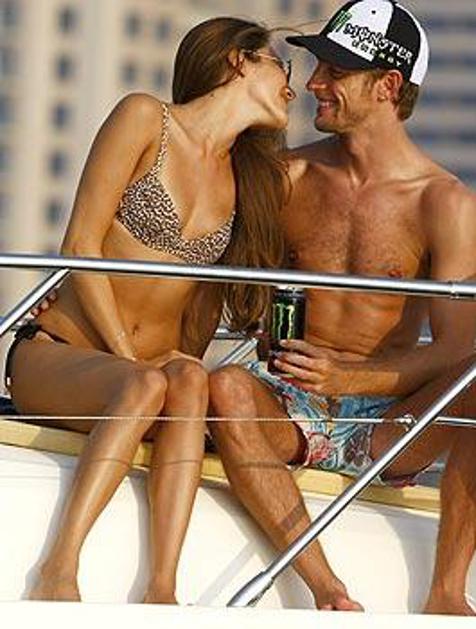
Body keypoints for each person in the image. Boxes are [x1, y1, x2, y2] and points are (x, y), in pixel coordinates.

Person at [5, 17, 295, 603]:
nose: (291, 86)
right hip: (62, 356)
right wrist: (130, 360)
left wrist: (177, 371)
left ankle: (162, 587)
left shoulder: (249, 181)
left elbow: (200, 311)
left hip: (150, 376)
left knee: (189, 377)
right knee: (147, 384)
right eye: (280, 65)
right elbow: (81, 245)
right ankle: (59, 568)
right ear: (239, 60)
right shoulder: (144, 118)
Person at [209, 0, 476, 615]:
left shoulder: (444, 203)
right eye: (318, 67)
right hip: (289, 401)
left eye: (336, 71)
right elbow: (209, 258)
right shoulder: (289, 175)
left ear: (388, 86)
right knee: (225, 386)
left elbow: (457, 352)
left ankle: (445, 591)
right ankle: (326, 588)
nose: (313, 84)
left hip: (386, 420)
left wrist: (349, 377)